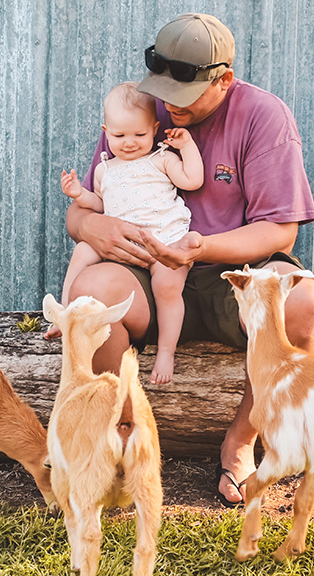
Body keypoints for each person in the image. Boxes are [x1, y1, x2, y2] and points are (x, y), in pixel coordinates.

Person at [62, 13, 314, 508]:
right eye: (163, 90)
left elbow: (279, 229)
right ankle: (121, 434)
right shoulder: (143, 108)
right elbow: (94, 203)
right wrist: (87, 226)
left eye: (183, 95)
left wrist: (200, 247)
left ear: (224, 80)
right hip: (146, 273)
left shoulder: (264, 116)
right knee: (91, 296)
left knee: (304, 301)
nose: (169, 106)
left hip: (227, 276)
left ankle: (243, 440)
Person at [54, 81, 204, 384]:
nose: (130, 142)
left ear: (155, 129)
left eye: (140, 134)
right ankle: (65, 311)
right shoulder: (105, 169)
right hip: (123, 249)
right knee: (83, 250)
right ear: (105, 131)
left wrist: (186, 146)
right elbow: (100, 204)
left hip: (165, 242)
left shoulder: (161, 158)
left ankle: (166, 351)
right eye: (120, 135)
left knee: (167, 289)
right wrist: (78, 194)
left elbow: (192, 181)